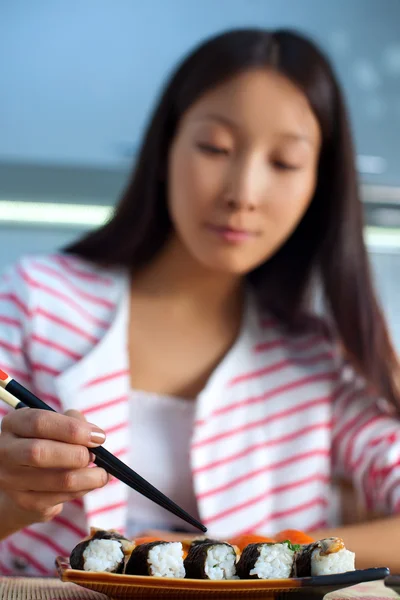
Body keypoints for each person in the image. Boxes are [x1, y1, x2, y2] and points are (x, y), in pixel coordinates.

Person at [0, 27, 399, 577]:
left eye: (284, 163)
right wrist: (10, 501)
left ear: (319, 186)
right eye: (215, 147)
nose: (243, 192)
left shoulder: (321, 357)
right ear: (165, 148)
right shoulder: (37, 300)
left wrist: (272, 546)